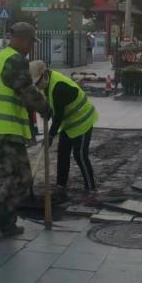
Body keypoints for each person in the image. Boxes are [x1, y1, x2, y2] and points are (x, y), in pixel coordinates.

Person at [0, 22, 50, 238]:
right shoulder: (16, 60)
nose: (30, 48)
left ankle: (5, 223)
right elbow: (27, 91)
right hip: (5, 127)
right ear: (22, 39)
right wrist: (45, 107)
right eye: (30, 42)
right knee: (22, 177)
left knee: (4, 176)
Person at [30, 61, 98, 196]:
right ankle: (61, 185)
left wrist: (50, 136)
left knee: (80, 155)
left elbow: (58, 117)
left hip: (83, 119)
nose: (37, 86)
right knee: (63, 153)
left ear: (44, 75)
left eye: (37, 83)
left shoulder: (58, 87)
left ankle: (91, 188)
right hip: (69, 123)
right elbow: (51, 106)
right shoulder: (47, 83)